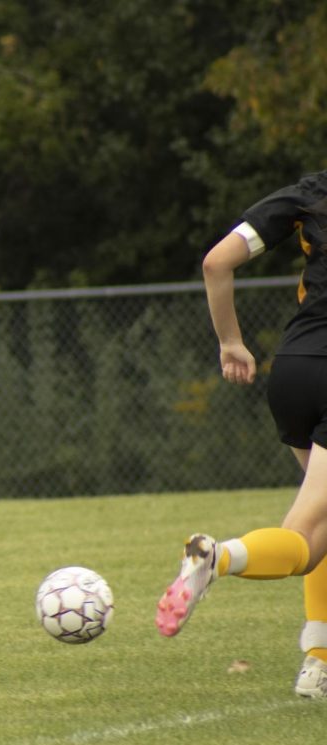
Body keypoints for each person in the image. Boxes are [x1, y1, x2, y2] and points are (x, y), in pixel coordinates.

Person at [155, 169, 327, 698]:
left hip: (297, 368)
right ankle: (216, 557)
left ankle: (318, 663)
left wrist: (231, 342)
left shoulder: (314, 191)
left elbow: (216, 261)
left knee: (323, 524)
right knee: (303, 536)